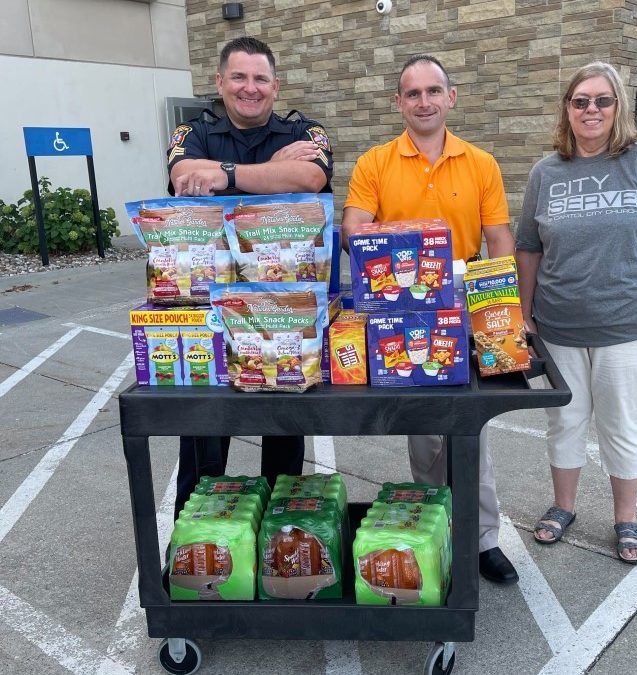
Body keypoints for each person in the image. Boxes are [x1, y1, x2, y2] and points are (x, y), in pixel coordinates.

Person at [342, 55, 519, 584]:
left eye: (433, 91)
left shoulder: (481, 163)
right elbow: (355, 231)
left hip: (464, 307)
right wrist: (419, 253)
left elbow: (500, 241)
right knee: (422, 428)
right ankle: (434, 525)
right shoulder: (375, 162)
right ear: (399, 102)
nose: (424, 101)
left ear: (451, 97)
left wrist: (507, 313)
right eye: (412, 93)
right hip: (400, 308)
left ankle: (484, 537)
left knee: (470, 427)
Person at [515, 61, 637, 563]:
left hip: (627, 325)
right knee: (565, 421)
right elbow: (528, 247)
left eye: (602, 100)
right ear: (567, 110)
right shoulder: (547, 171)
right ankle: (563, 506)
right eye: (580, 101)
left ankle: (626, 519)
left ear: (618, 107)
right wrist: (525, 313)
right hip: (559, 325)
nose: (591, 110)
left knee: (622, 422)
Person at [166, 36, 333, 518]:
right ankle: (192, 538)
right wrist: (269, 173)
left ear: (276, 86)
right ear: (219, 82)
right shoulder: (191, 134)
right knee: (204, 434)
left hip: (285, 307)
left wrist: (224, 176)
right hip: (206, 306)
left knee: (283, 433)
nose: (250, 88)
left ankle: (280, 539)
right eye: (238, 77)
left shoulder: (307, 132)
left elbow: (310, 179)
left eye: (260, 78)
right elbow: (183, 176)